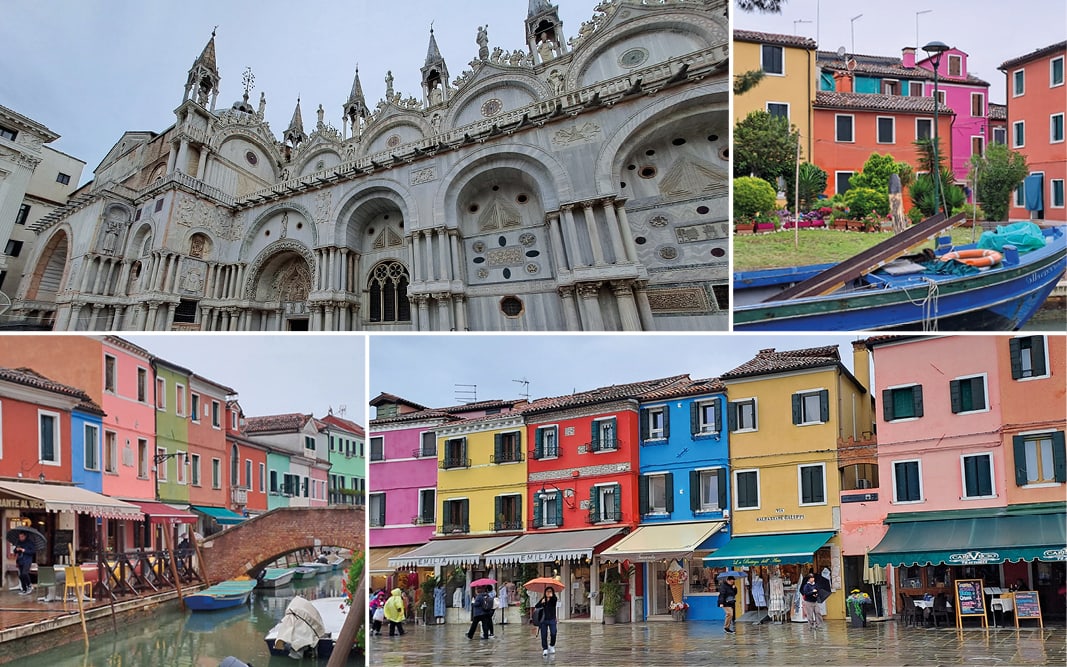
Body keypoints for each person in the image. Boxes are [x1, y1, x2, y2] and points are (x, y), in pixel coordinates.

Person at [534, 586, 559, 657]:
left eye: (550, 591)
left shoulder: (554, 599)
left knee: (554, 632)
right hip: (543, 620)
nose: (548, 593)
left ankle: (552, 645)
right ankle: (545, 648)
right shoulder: (542, 599)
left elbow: (554, 603)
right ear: (545, 592)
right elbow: (537, 606)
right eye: (547, 591)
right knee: (543, 635)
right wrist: (542, 602)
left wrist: (549, 598)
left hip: (552, 619)